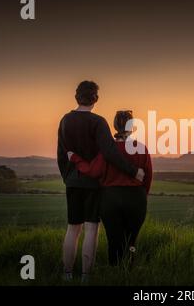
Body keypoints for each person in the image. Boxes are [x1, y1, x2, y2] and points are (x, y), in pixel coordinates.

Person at [57, 81, 145, 282]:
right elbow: (110, 152)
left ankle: (67, 274)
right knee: (91, 229)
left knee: (72, 228)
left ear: (76, 96)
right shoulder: (98, 122)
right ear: (95, 99)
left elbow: (61, 154)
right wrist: (133, 171)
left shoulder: (65, 120)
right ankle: (86, 277)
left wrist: (67, 177)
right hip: (94, 183)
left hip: (73, 182)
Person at [67, 110, 152, 266]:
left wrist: (75, 158)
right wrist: (141, 196)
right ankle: (130, 269)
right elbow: (148, 177)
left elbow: (93, 171)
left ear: (114, 126)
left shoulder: (107, 150)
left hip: (110, 199)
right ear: (132, 126)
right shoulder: (141, 148)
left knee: (114, 240)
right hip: (136, 199)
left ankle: (114, 272)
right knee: (131, 240)